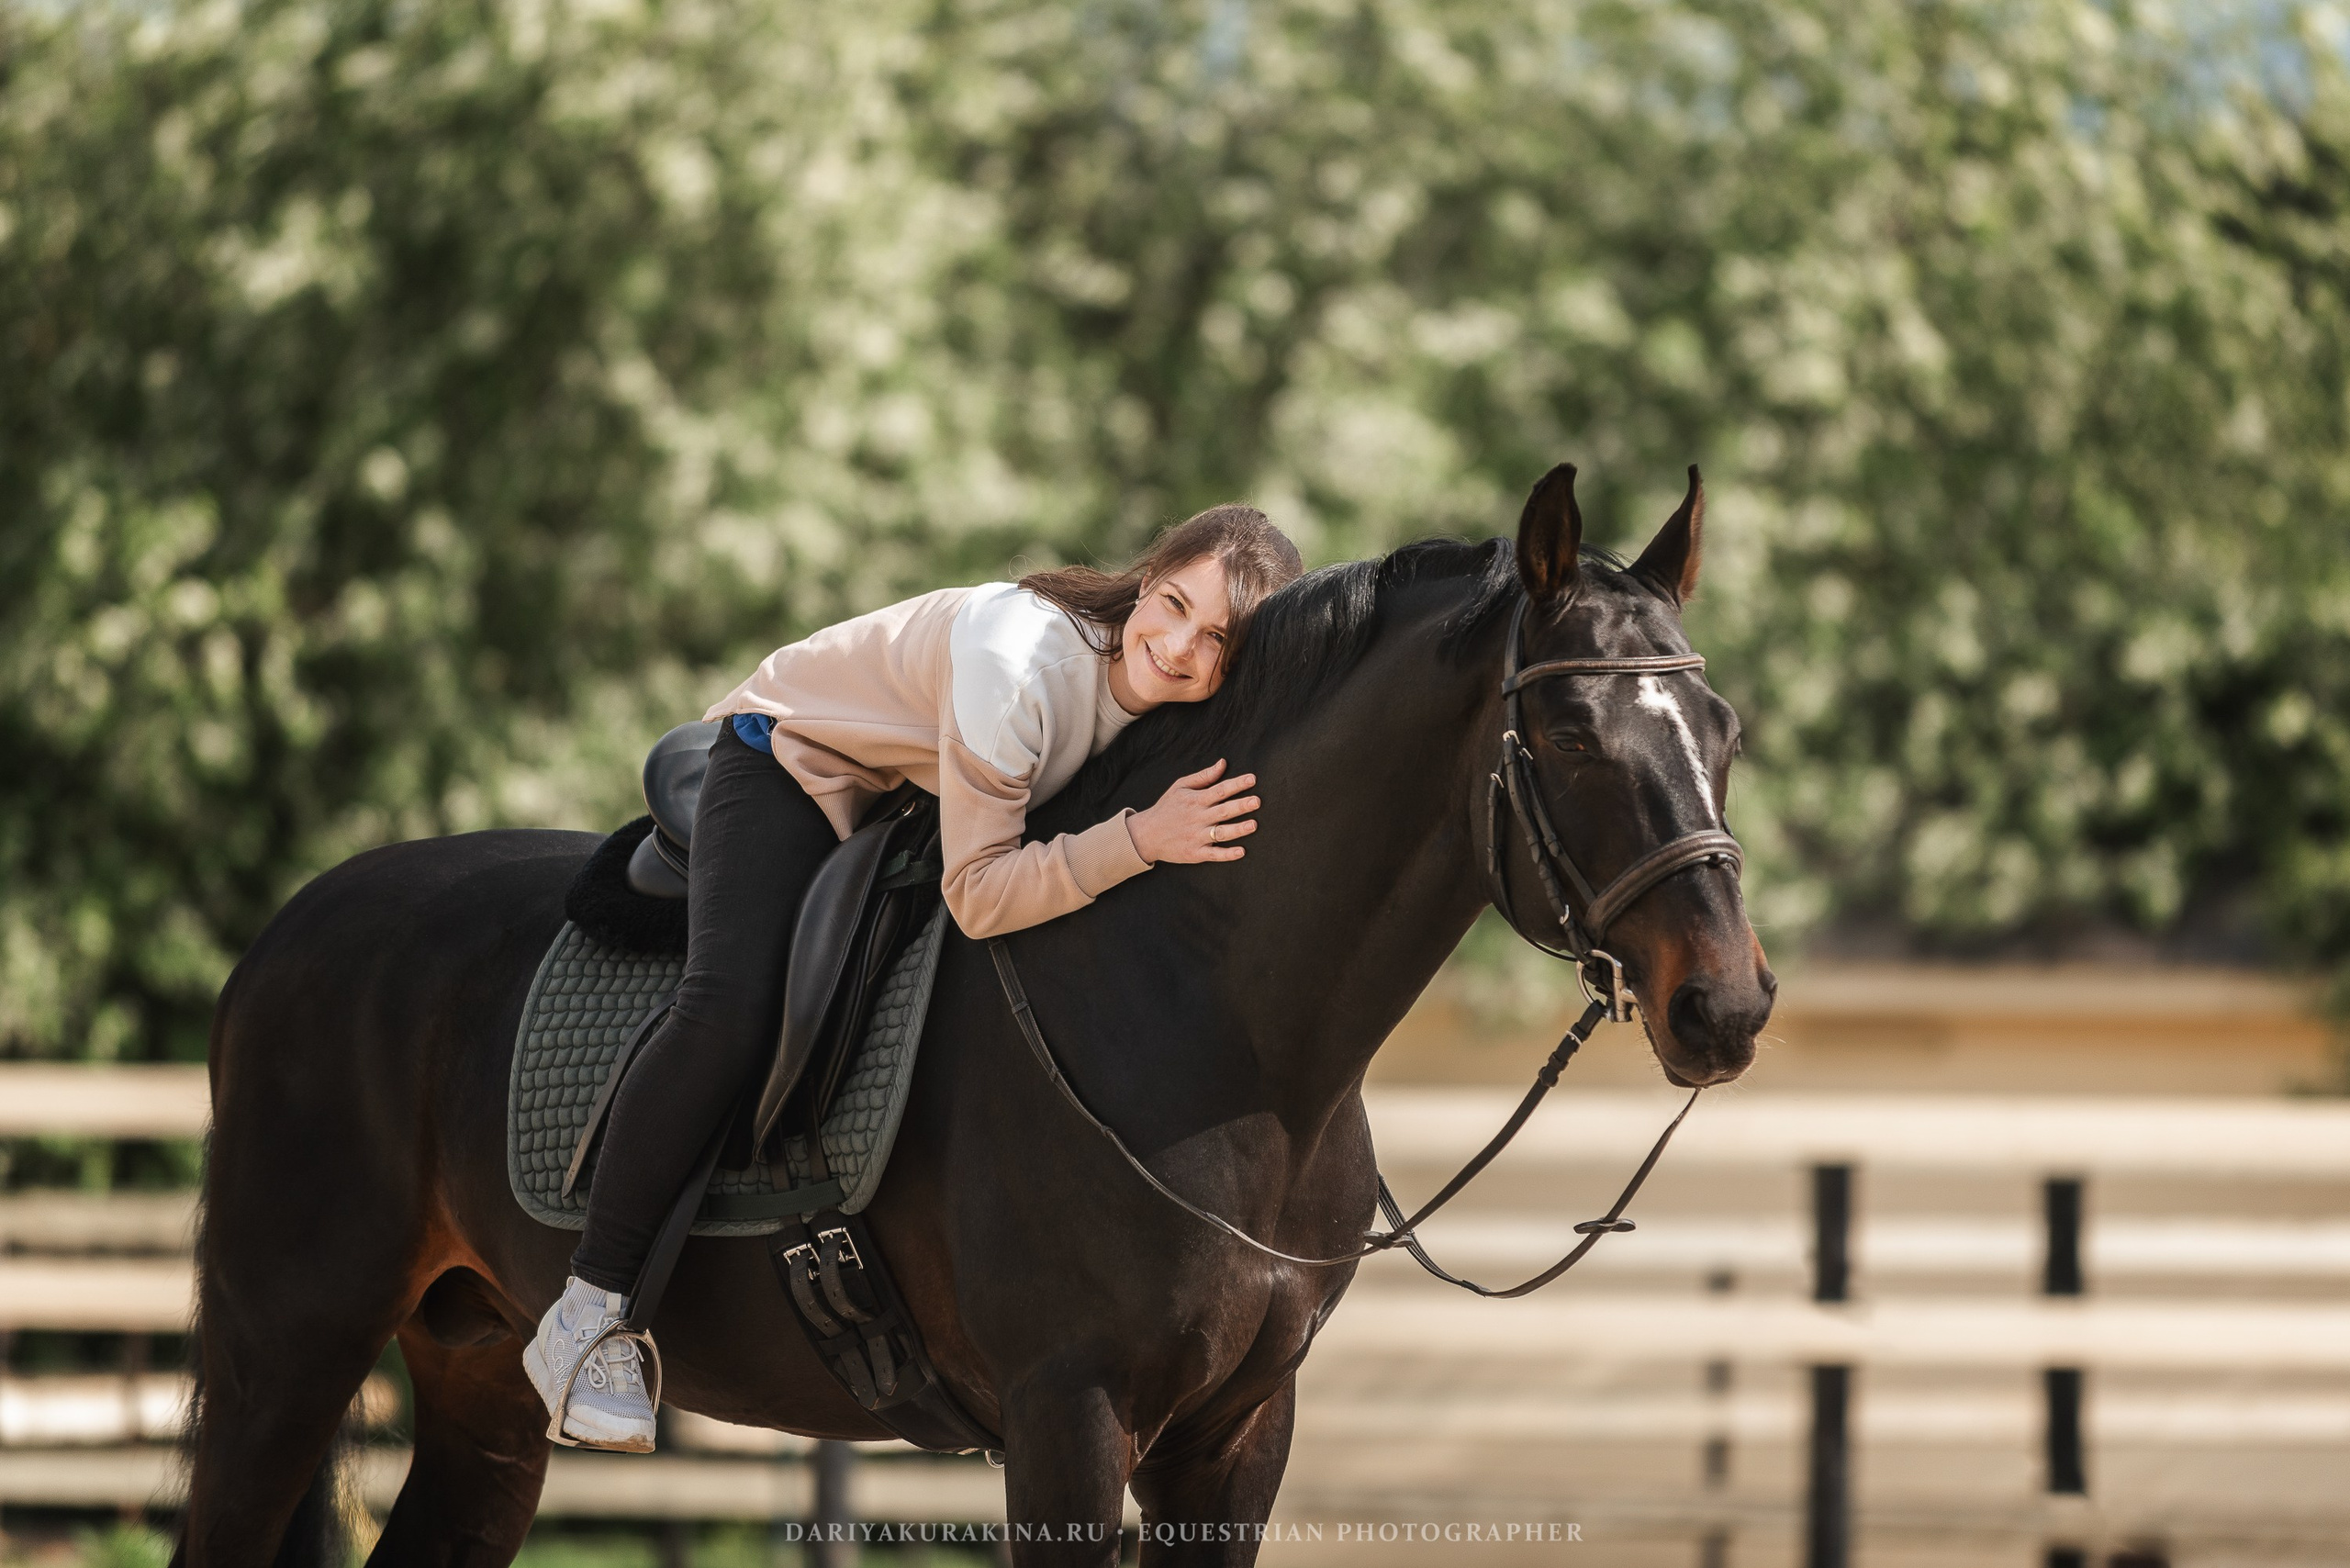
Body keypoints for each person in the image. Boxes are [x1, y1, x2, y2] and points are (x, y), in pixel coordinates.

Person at [523, 505, 1305, 1450]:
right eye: (1174, 603)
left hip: (904, 789)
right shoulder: (1022, 668)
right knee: (732, 1007)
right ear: (1145, 581)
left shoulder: (1164, 705)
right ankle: (588, 1307)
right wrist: (1139, 840)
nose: (1178, 645)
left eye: (1215, 637)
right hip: (793, 761)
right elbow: (978, 893)